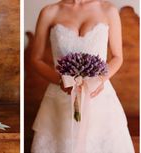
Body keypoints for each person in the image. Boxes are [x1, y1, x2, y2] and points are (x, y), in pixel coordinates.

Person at [30, 0, 135, 152]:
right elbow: (35, 59)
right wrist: (61, 81)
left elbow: (117, 57)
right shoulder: (50, 11)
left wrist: (99, 80)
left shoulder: (108, 10)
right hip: (61, 97)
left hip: (99, 97)